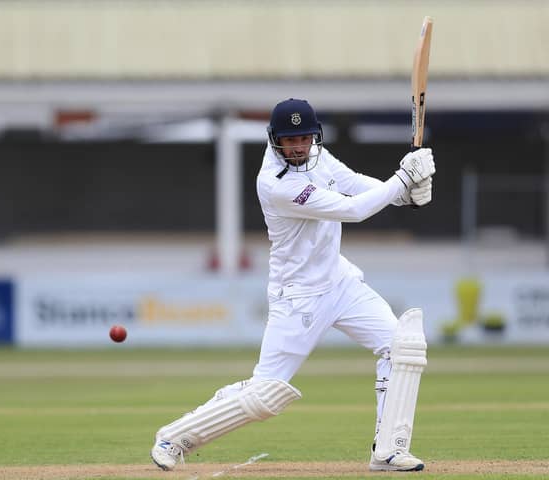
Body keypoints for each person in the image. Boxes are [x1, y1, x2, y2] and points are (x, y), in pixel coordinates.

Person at [150, 98, 435, 472]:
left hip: (340, 282)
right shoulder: (274, 184)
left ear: (314, 136)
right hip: (298, 298)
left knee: (401, 347)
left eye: (304, 138)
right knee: (265, 394)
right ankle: (175, 436)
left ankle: (389, 450)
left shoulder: (318, 154)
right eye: (290, 140)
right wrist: (402, 180)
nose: (299, 147)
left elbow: (357, 187)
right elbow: (353, 210)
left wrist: (406, 196)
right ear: (275, 141)